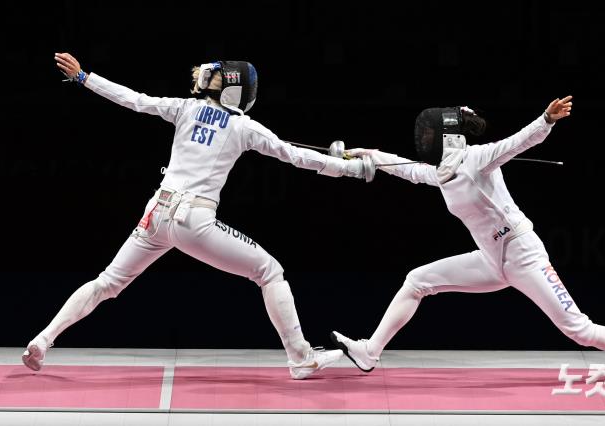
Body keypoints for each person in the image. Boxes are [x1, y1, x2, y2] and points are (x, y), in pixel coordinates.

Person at [23, 52, 371, 380]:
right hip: (193, 221)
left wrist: (84, 77)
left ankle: (42, 340)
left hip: (156, 215)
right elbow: (294, 155)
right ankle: (300, 357)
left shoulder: (186, 108)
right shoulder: (243, 126)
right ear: (239, 92)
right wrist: (350, 169)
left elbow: (134, 99)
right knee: (270, 271)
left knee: (107, 283)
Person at [331, 96, 605, 382]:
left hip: (524, 255)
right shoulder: (441, 174)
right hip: (491, 260)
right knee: (417, 281)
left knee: (577, 329)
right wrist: (368, 154)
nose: (424, 139)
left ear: (447, 137)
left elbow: (518, 142)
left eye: (430, 133)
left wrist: (546, 120)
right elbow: (407, 169)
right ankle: (369, 352)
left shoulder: (479, 158)